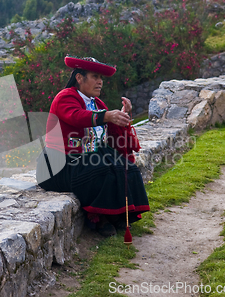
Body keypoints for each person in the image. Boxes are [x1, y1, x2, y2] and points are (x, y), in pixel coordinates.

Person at [36, 55, 150, 237]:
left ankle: (120, 213)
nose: (100, 82)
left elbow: (109, 135)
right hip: (58, 163)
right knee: (100, 169)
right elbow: (76, 116)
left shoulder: (97, 104)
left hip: (85, 156)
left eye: (101, 78)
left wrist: (121, 117)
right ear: (79, 78)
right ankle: (98, 217)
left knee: (125, 167)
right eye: (95, 77)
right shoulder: (65, 98)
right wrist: (107, 116)